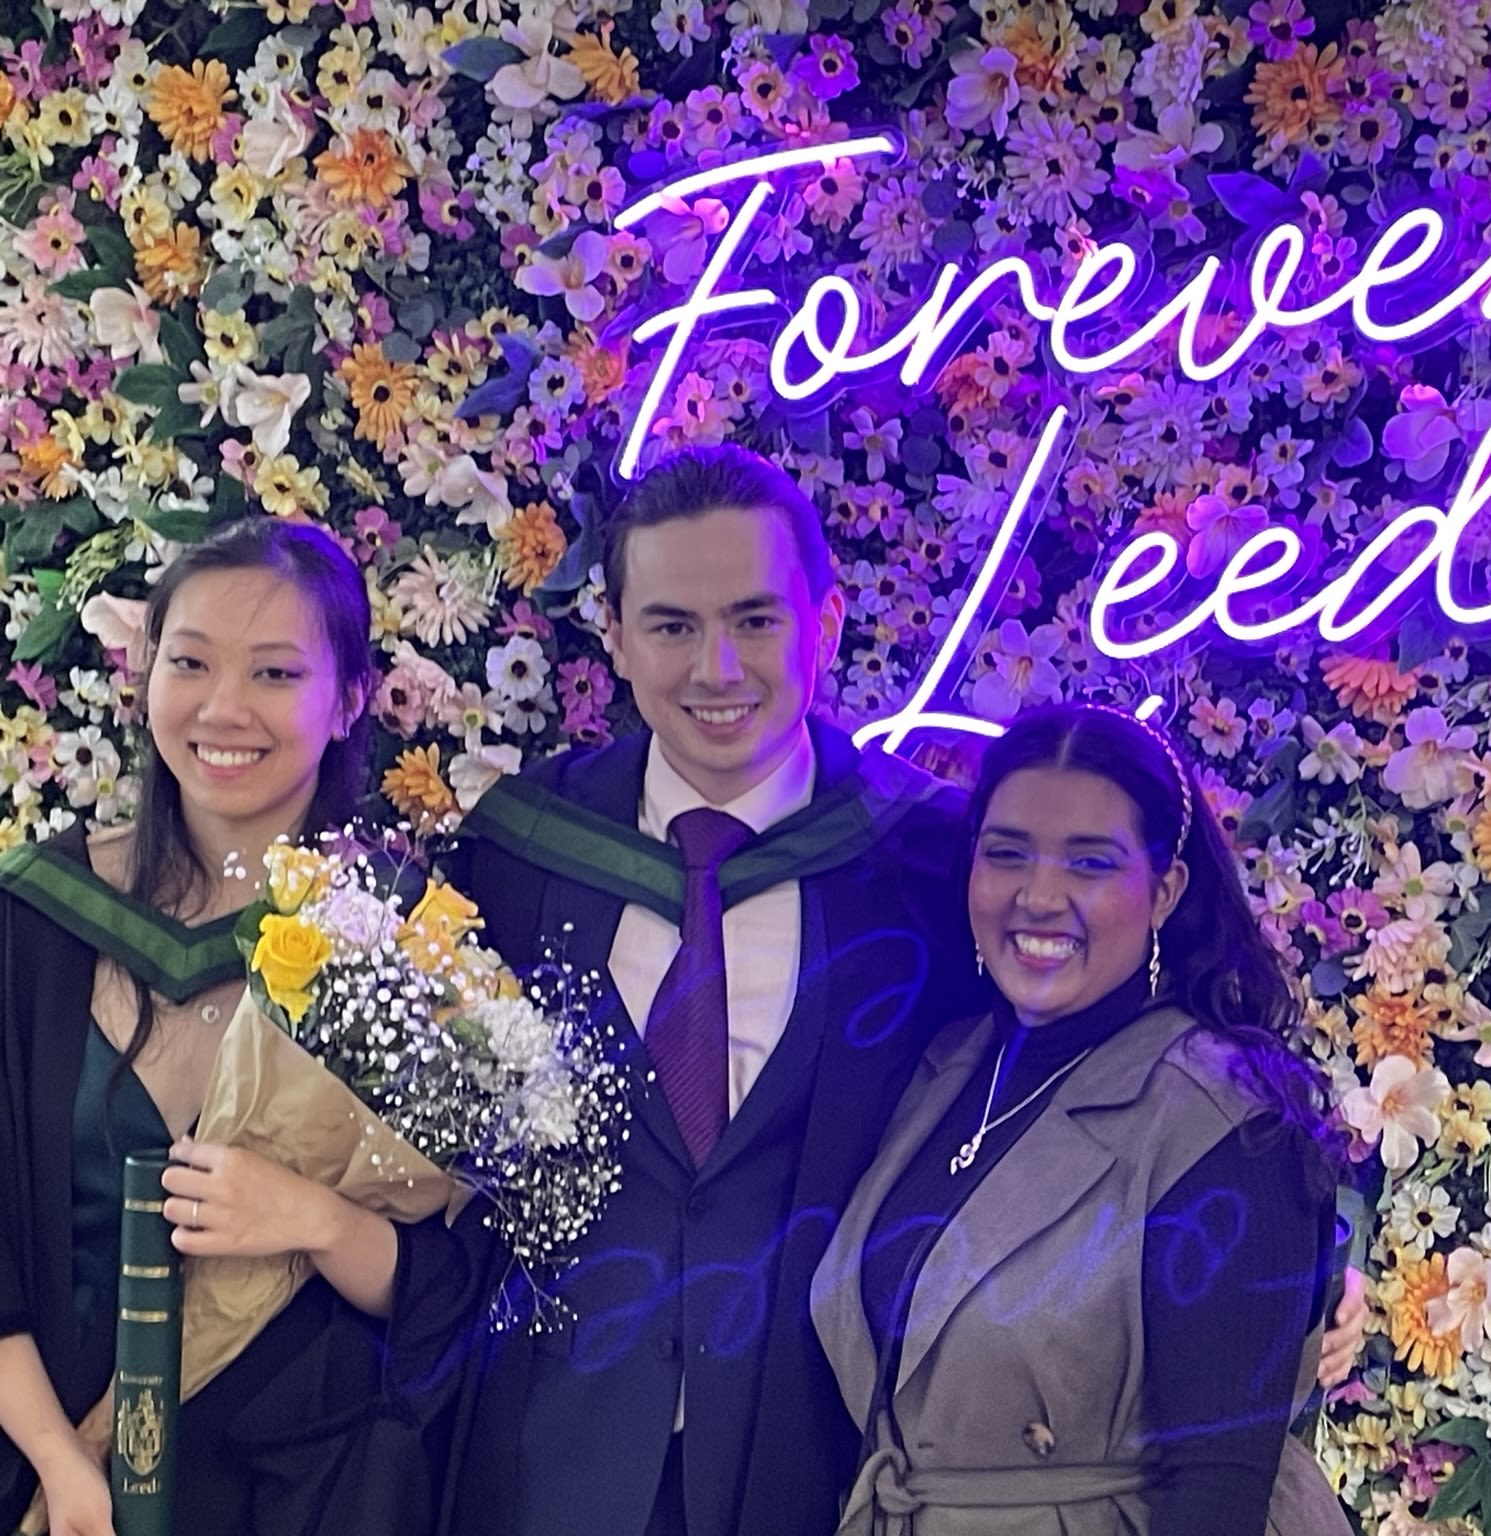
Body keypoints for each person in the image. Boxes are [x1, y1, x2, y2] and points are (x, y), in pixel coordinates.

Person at [431, 446, 1367, 1536]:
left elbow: (1124, 1088)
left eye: (755, 620)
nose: (716, 668)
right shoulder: (518, 857)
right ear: (616, 632)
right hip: (550, 1456)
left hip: (816, 1470)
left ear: (823, 625)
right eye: (673, 625)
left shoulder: (933, 863)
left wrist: (1314, 1254)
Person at [0, 519, 471, 1536]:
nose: (223, 708)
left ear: (347, 699)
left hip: (305, 1492)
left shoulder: (405, 942)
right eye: (191, 662)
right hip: (43, 1474)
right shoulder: (34, 919)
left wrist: (317, 1219)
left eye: (274, 672)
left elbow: (456, 1290)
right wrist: (57, 1463)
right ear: (143, 677)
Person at [812, 703, 1353, 1536]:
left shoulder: (1223, 1118)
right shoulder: (944, 1071)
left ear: (1165, 890)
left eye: (1090, 863)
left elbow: (1217, 1496)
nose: (1039, 895)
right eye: (1007, 854)